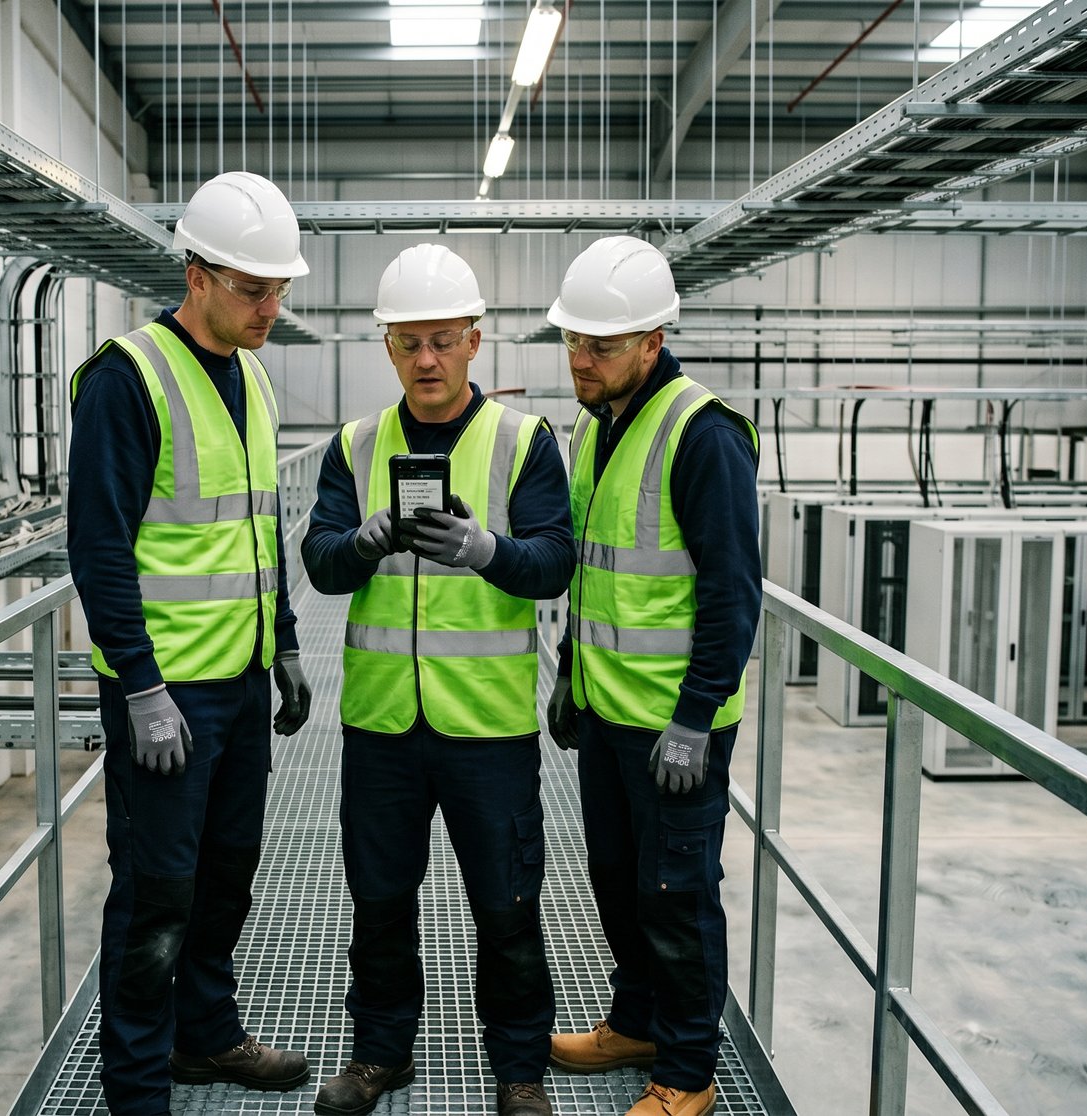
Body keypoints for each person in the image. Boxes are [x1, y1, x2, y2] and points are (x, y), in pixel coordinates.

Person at [301, 243, 574, 1116]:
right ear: (387, 347)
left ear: (474, 341)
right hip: (382, 726)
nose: (426, 359)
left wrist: (487, 551)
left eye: (442, 341)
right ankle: (380, 1054)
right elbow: (320, 564)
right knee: (379, 902)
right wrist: (364, 541)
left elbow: (555, 562)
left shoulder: (523, 441)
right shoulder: (355, 445)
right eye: (408, 342)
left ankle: (519, 1066)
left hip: (488, 730)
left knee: (508, 904)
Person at [67, 170, 316, 1116]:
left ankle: (205, 1037)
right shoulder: (126, 378)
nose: (270, 307)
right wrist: (138, 687)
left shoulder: (251, 373)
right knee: (154, 899)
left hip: (241, 683)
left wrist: (285, 639)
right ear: (197, 274)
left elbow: (259, 523)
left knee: (224, 878)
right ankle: (138, 1089)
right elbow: (97, 547)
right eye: (254, 289)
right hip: (166, 697)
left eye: (279, 289)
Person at [543, 236, 761, 1116]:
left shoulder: (702, 435)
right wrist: (568, 671)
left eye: (600, 346)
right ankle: (634, 1022)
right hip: (607, 712)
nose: (581, 361)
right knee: (616, 880)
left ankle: (688, 1070)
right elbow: (597, 572)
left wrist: (696, 719)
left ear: (654, 339)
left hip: (676, 726)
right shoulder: (599, 431)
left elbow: (732, 595)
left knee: (676, 895)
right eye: (572, 343)